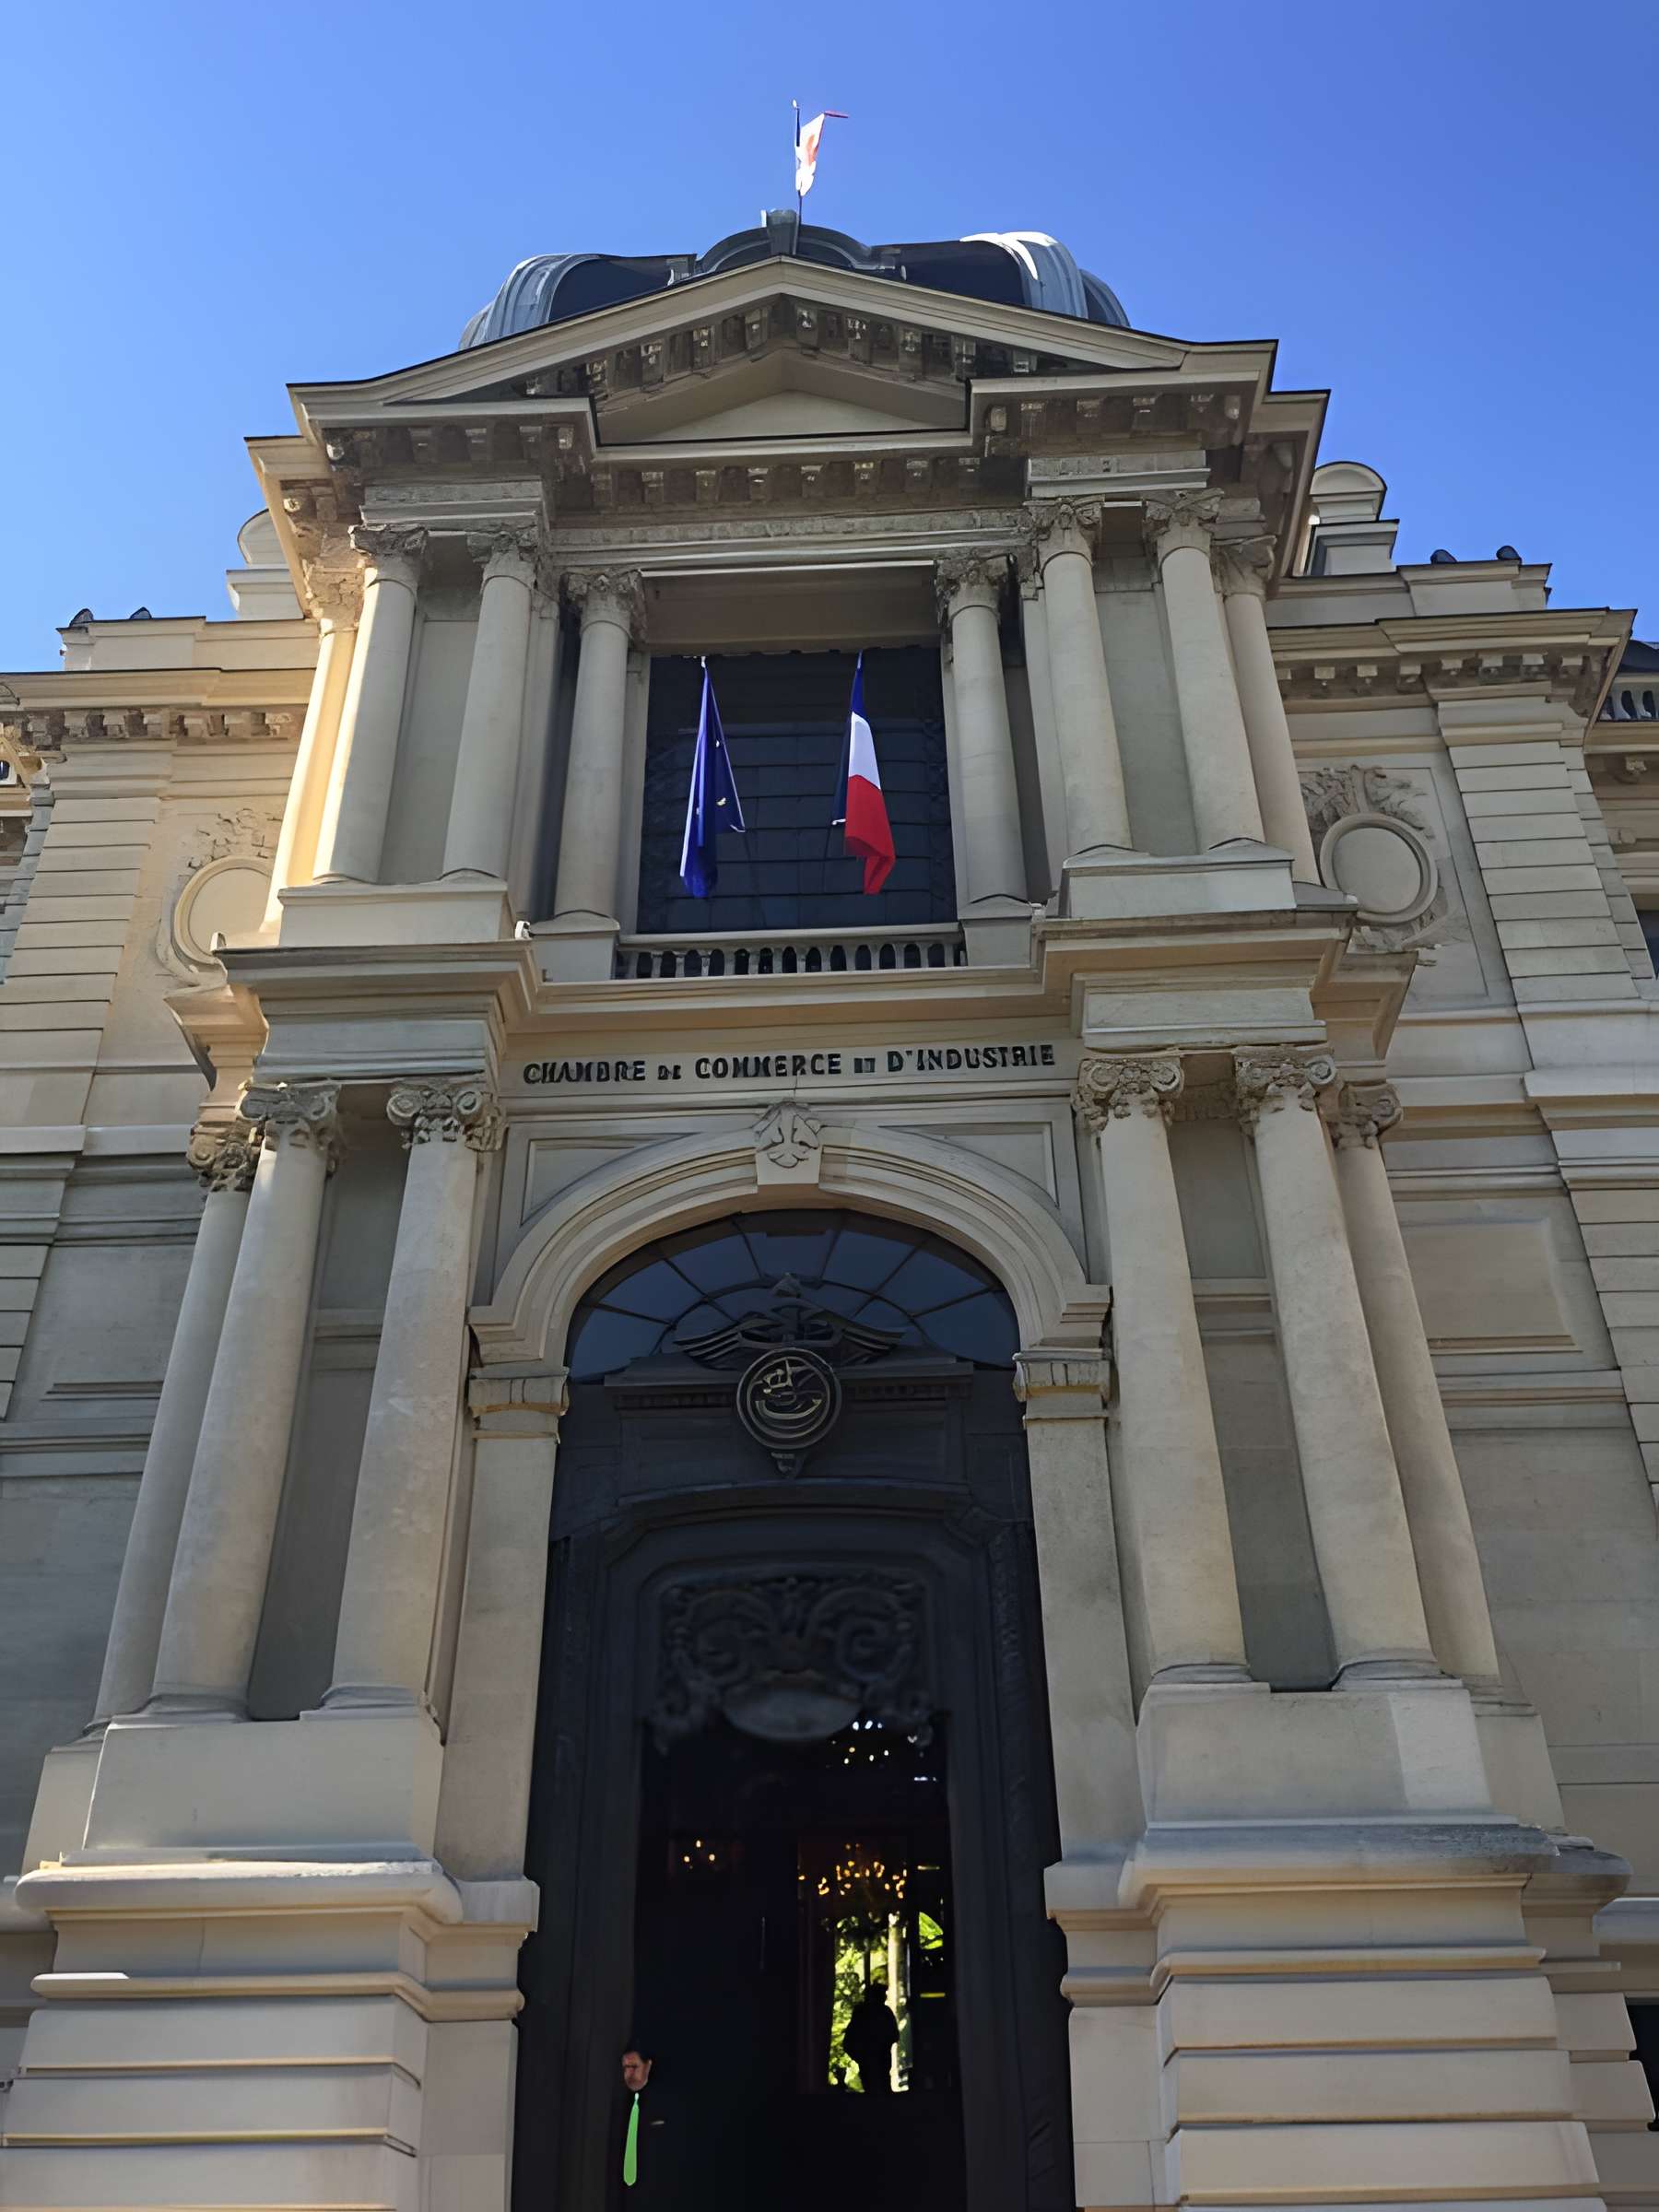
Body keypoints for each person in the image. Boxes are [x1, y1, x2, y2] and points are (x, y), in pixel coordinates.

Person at [615, 2041, 688, 2205]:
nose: (629, 2073)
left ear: (647, 2066)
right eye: (625, 2068)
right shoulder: (618, 2105)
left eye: (634, 2067)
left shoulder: (664, 2103)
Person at [843, 1981, 899, 2094]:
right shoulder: (882, 2012)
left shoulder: (864, 2012)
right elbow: (894, 2035)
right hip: (875, 2060)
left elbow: (849, 2041)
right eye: (882, 1994)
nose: (885, 1997)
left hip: (870, 2061)